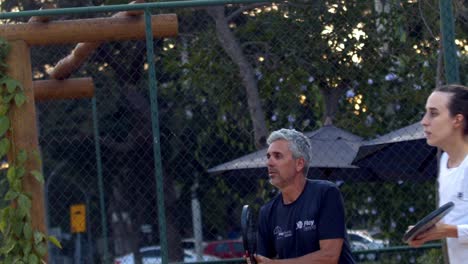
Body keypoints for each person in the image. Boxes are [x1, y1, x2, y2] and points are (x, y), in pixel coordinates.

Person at [246, 128, 355, 264]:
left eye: (277, 156)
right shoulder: (267, 212)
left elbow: (329, 257)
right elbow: (263, 260)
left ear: (299, 164)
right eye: (268, 156)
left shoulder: (326, 193)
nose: (269, 163)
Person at [408, 84, 468, 263]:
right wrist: (426, 231)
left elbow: (452, 228)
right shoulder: (444, 162)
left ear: (457, 120)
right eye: (426, 112)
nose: (424, 121)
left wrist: (449, 231)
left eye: (433, 113)